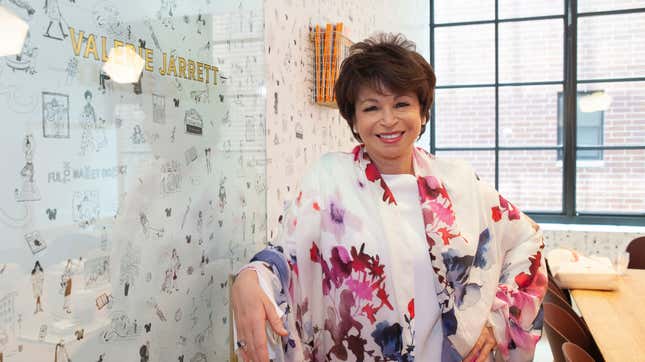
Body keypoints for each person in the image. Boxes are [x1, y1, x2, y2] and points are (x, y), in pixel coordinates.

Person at [231, 33, 546, 362]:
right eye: (371, 107)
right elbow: (287, 256)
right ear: (354, 119)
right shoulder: (328, 181)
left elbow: (527, 238)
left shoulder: (457, 182)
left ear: (422, 112)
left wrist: (497, 318)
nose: (388, 120)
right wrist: (250, 279)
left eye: (401, 104)